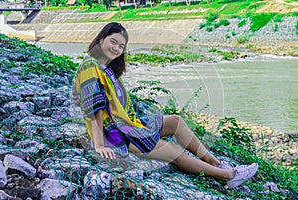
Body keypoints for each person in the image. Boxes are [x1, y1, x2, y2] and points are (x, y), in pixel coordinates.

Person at [72, 22, 258, 189]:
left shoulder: (105, 67)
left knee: (175, 122)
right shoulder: (91, 66)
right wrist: (99, 145)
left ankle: (216, 163)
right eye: (113, 42)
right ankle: (230, 175)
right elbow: (93, 109)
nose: (116, 49)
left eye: (121, 46)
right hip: (116, 135)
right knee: (173, 151)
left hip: (128, 125)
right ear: (102, 38)